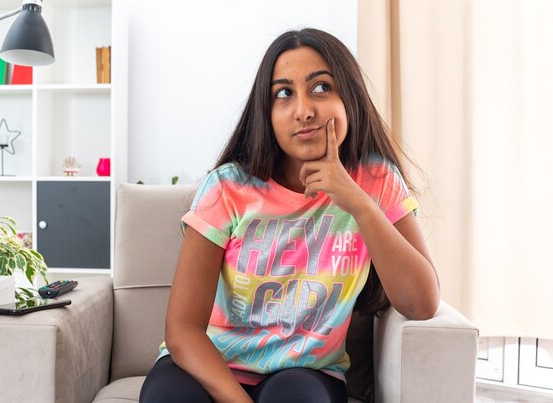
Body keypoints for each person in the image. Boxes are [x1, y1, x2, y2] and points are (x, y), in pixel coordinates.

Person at [139, 28, 440, 403]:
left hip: (306, 372)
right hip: (213, 363)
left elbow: (422, 304)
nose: (304, 110)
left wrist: (358, 202)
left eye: (321, 88)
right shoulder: (228, 188)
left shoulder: (375, 181)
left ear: (350, 97)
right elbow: (183, 329)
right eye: (284, 94)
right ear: (267, 113)